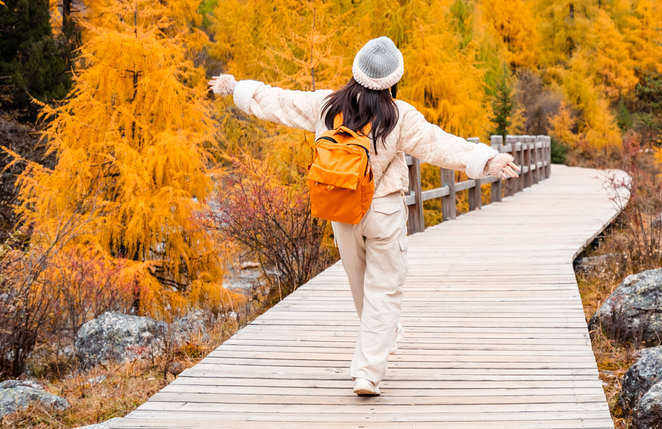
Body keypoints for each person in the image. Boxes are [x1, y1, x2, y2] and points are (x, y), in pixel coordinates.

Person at [208, 36, 519, 396]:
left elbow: (279, 101)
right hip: (383, 209)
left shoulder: (326, 105)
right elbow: (439, 144)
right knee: (382, 290)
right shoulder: (398, 115)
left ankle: (380, 340)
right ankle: (367, 373)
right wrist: (488, 159)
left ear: (356, 71)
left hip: (341, 208)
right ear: (392, 79)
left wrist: (235, 88)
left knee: (361, 287)